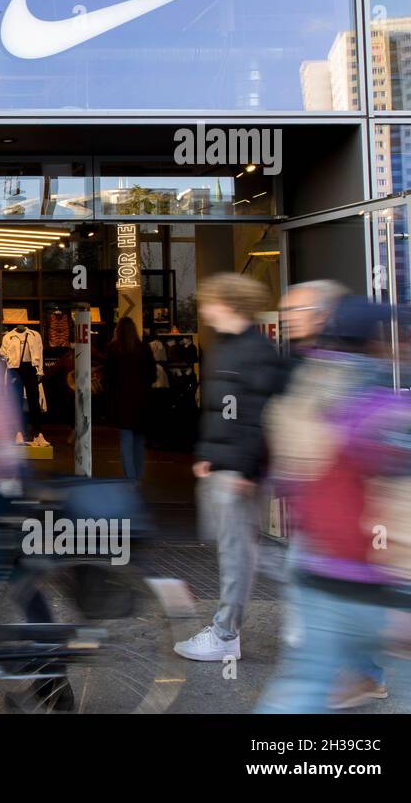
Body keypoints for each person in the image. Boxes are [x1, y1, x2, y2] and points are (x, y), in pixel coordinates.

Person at [257, 297, 411, 713]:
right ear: (383, 343)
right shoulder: (393, 413)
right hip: (388, 584)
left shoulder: (299, 403)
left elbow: (284, 480)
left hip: (318, 571)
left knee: (303, 687)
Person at [174, 273, 285, 661]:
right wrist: (208, 454)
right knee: (235, 551)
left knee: (239, 554)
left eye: (209, 302)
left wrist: (243, 469)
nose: (203, 309)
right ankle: (308, 591)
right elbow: (224, 412)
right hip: (224, 468)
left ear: (229, 304)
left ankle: (225, 635)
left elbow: (257, 417)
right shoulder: (227, 348)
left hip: (237, 473)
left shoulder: (255, 351)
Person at [103, 317, 155, 482]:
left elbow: (108, 377)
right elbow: (152, 375)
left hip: (121, 401)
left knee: (126, 440)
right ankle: (137, 476)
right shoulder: (144, 348)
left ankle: (130, 477)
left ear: (118, 331)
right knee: (139, 441)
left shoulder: (113, 349)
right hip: (141, 401)